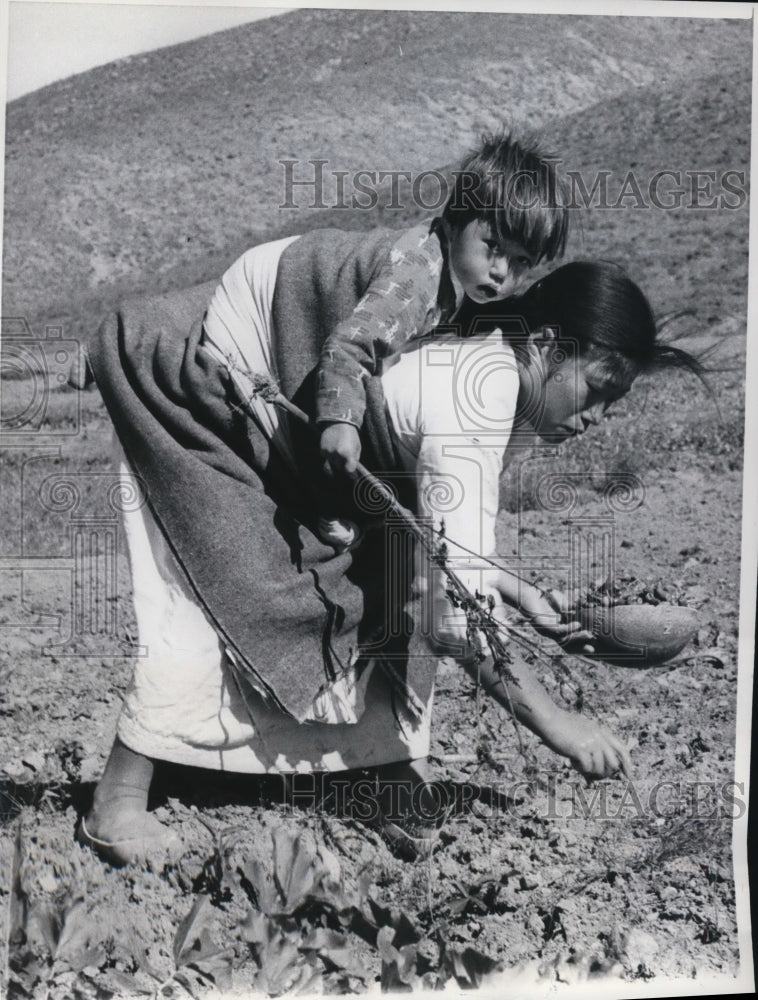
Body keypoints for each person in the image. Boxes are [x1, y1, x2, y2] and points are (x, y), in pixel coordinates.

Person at [77, 260, 702, 866]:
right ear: (544, 346)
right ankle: (118, 797)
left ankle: (376, 767)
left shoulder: (505, 387)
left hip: (289, 437)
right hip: (190, 389)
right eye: (596, 389)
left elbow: (440, 548)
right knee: (214, 586)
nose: (596, 417)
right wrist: (561, 726)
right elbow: (454, 615)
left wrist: (522, 593)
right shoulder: (480, 398)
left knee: (391, 579)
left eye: (613, 403)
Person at [202, 128, 570, 552]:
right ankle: (323, 502)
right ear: (455, 221)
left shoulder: (456, 279)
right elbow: (350, 345)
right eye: (493, 247)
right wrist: (340, 420)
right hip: (266, 288)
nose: (502, 271)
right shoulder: (418, 279)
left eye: (521, 261)